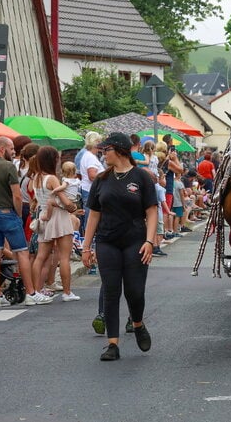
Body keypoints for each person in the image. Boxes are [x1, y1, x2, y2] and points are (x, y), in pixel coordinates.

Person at [82, 132, 158, 361]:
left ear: (121, 150)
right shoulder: (102, 180)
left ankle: (138, 323)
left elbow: (152, 211)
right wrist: (86, 247)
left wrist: (149, 241)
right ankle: (112, 344)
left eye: (107, 150)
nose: (103, 154)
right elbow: (94, 215)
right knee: (111, 290)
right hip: (107, 241)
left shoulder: (141, 177)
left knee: (134, 291)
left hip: (135, 241)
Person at [0, 137, 52, 307]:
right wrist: (17, 214)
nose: (13, 152)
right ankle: (31, 293)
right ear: (2, 149)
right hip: (7, 213)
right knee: (22, 253)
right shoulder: (9, 167)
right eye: (11, 149)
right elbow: (17, 195)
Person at [30, 146, 80, 302]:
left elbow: (42, 200)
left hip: (44, 217)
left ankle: (35, 291)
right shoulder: (52, 179)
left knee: (41, 257)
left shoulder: (37, 178)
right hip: (59, 218)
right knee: (64, 257)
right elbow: (65, 202)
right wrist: (73, 206)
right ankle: (67, 292)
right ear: (53, 160)